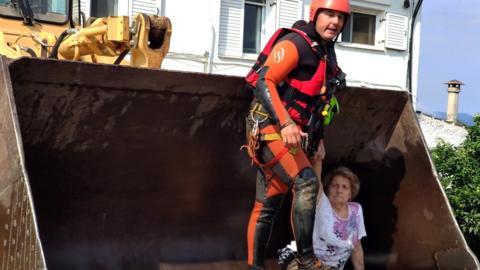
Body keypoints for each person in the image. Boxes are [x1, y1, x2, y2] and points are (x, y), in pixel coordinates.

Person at [242, 1, 350, 269]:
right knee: (307, 183)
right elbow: (265, 81)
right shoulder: (296, 43)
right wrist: (287, 123)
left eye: (341, 17)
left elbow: (319, 103)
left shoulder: (326, 54)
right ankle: (307, 261)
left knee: (268, 203)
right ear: (315, 15)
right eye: (329, 14)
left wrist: (317, 138)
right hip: (268, 126)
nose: (335, 22)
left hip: (292, 133)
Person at [280, 167, 366, 270]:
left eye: (345, 187)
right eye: (335, 186)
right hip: (308, 264)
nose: (339, 190)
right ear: (328, 189)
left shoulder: (356, 210)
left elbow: (356, 248)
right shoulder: (321, 203)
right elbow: (315, 182)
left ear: (350, 194)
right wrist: (318, 160)